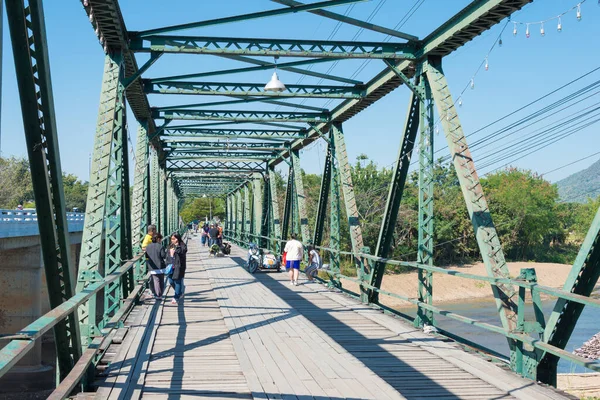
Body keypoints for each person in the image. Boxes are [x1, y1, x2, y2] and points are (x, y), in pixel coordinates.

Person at [166, 232, 187, 304]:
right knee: (171, 281)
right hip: (171, 266)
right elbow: (167, 256)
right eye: (171, 239)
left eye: (173, 239)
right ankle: (179, 292)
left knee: (177, 281)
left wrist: (174, 252)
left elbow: (182, 252)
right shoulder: (170, 246)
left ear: (177, 239)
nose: (172, 240)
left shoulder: (182, 246)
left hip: (179, 266)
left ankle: (176, 297)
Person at [145, 233, 166, 299]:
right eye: (160, 239)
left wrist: (148, 262)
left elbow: (146, 257)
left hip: (152, 267)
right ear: (158, 239)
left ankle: (156, 294)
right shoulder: (160, 246)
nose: (161, 240)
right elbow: (163, 256)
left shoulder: (148, 247)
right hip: (161, 266)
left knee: (156, 280)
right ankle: (159, 294)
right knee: (161, 281)